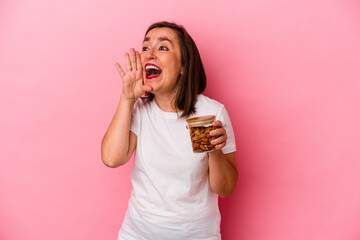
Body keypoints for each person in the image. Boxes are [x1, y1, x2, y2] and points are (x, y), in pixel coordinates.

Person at [101, 21, 238, 240]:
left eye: (163, 47)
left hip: (197, 234)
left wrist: (214, 151)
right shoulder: (140, 110)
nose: (149, 54)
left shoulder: (212, 113)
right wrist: (127, 98)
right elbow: (111, 158)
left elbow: (225, 189)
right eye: (146, 47)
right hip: (138, 233)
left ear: (184, 66)